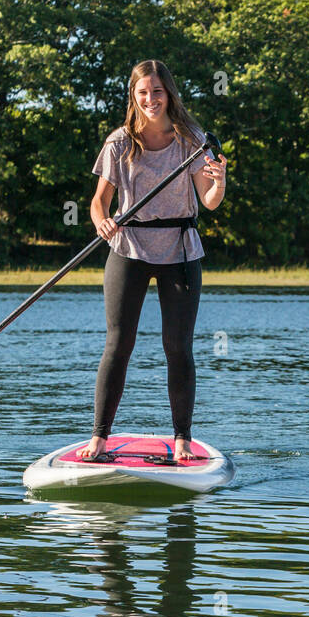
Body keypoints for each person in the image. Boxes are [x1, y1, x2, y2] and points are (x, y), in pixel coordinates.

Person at [80, 59, 227, 462]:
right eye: (143, 93)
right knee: (118, 345)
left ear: (170, 95)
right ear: (134, 96)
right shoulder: (119, 143)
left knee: (177, 347)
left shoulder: (191, 140)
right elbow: (98, 202)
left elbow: (209, 202)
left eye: (157, 92)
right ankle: (99, 439)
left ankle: (182, 439)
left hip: (179, 251)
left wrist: (219, 181)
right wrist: (101, 222)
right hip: (128, 249)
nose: (150, 100)